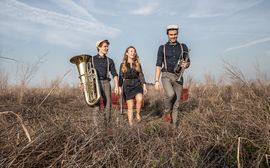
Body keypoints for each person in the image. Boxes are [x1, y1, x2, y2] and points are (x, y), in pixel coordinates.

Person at [154, 25, 190, 128]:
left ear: (177, 34)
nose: (173, 36)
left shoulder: (183, 47)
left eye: (175, 34)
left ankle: (173, 127)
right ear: (167, 35)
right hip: (166, 75)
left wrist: (186, 64)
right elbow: (158, 65)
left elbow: (188, 62)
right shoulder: (162, 48)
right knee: (170, 94)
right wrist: (156, 80)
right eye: (171, 35)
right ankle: (166, 111)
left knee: (177, 103)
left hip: (178, 76)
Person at [84, 39, 119, 127]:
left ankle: (107, 125)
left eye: (107, 47)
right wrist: (83, 83)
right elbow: (86, 73)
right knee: (96, 104)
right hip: (95, 83)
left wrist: (116, 86)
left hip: (106, 82)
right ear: (99, 47)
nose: (107, 48)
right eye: (105, 46)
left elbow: (114, 74)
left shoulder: (110, 60)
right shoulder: (91, 59)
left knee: (108, 104)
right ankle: (96, 127)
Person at [119, 46, 147, 126]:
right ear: (127, 53)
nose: (133, 53)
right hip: (127, 85)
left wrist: (144, 85)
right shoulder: (122, 65)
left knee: (140, 99)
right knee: (130, 107)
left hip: (137, 84)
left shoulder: (137, 64)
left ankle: (138, 113)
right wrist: (119, 87)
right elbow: (121, 77)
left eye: (134, 51)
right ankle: (131, 125)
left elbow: (141, 75)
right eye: (131, 51)